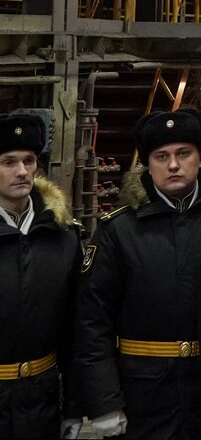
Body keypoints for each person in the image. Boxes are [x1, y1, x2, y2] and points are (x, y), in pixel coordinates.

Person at [75, 109, 201, 439]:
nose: (173, 165)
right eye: (161, 156)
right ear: (147, 164)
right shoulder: (119, 230)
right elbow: (92, 321)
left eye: (183, 153)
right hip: (143, 395)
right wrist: (104, 400)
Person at [0, 112, 81, 440]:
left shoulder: (62, 237)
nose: (21, 172)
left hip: (42, 401)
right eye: (8, 162)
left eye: (29, 161)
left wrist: (75, 405)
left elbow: (75, 328)